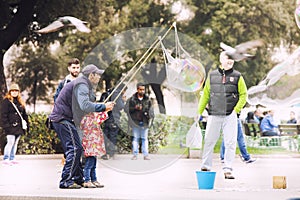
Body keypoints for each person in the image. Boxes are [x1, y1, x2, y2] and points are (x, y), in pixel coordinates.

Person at [49, 64, 115, 189]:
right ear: (91, 75)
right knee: (74, 149)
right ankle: (66, 181)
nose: (99, 77)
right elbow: (84, 105)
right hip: (62, 119)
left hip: (65, 119)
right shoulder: (82, 85)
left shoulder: (83, 84)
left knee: (77, 149)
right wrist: (103, 106)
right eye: (98, 75)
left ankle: (79, 179)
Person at [197, 51, 247, 179]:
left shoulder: (238, 76)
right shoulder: (212, 76)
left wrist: (236, 110)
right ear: (221, 60)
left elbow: (243, 95)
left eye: (232, 59)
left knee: (230, 142)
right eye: (227, 58)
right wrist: (199, 112)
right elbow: (205, 95)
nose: (230, 61)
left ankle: (228, 169)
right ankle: (206, 166)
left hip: (230, 114)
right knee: (209, 140)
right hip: (214, 113)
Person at [1, 83, 29, 165]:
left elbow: (24, 114)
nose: (14, 92)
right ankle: (6, 158)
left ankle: (12, 158)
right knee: (10, 142)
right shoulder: (6, 102)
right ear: (10, 92)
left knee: (15, 143)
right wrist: (6, 126)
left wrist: (27, 125)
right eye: (12, 91)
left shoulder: (20, 102)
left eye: (16, 91)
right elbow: (3, 115)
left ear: (18, 92)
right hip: (10, 127)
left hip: (19, 127)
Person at [127, 83, 154, 160]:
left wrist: (148, 115)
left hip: (145, 122)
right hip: (135, 122)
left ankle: (146, 155)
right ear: (137, 89)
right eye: (140, 89)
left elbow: (151, 111)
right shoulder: (132, 99)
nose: (142, 91)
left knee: (144, 139)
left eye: (143, 89)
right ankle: (135, 154)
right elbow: (127, 109)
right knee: (136, 138)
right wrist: (135, 108)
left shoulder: (148, 99)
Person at [80, 112, 107, 188]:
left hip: (91, 145)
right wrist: (105, 110)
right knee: (89, 164)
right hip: (92, 146)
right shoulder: (91, 118)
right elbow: (102, 118)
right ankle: (87, 180)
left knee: (93, 164)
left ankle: (94, 179)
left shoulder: (85, 118)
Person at [101, 83, 127, 160]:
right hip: (114, 118)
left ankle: (105, 153)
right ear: (123, 90)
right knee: (113, 136)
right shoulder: (117, 94)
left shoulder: (109, 92)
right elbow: (121, 106)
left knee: (106, 136)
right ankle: (110, 153)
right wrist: (123, 100)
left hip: (106, 117)